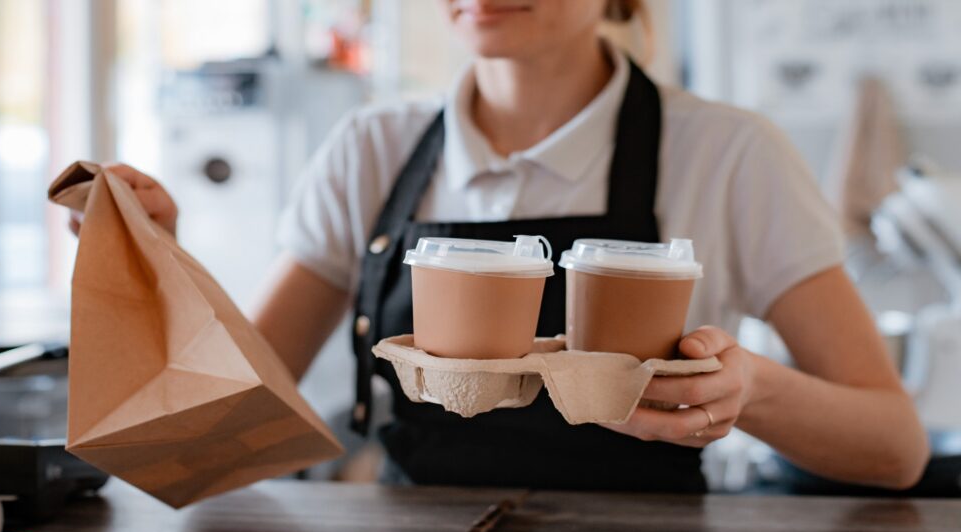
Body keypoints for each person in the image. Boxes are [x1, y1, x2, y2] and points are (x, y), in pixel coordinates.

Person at [73, 0, 929, 492]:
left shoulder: (730, 154)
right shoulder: (370, 149)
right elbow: (222, 433)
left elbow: (895, 447)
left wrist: (751, 389)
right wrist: (158, 264)